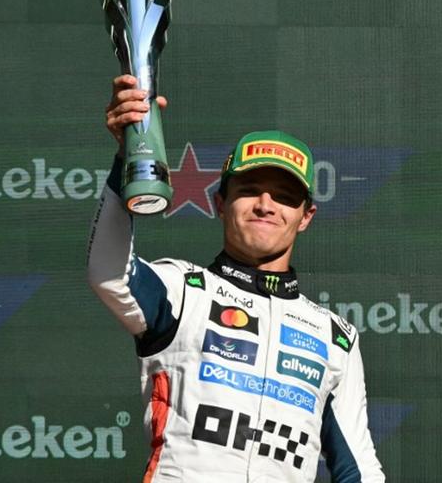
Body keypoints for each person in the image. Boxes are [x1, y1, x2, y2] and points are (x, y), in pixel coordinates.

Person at [87, 74, 385, 482]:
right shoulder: (183, 290)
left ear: (305, 217)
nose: (266, 204)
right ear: (221, 202)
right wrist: (129, 158)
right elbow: (110, 274)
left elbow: (359, 471)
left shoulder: (335, 337)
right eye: (250, 189)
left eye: (284, 196)